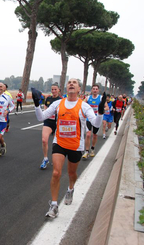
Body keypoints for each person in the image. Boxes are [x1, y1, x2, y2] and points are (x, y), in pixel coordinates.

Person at [33, 79, 106, 218]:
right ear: (66, 88)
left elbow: (96, 124)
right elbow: (41, 117)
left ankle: (70, 189)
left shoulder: (84, 106)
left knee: (72, 174)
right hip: (59, 143)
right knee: (56, 173)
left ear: (79, 89)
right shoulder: (58, 104)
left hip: (76, 146)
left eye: (74, 82)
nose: (71, 84)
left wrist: (101, 111)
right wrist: (37, 104)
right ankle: (54, 205)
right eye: (69, 82)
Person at [0, 82, 15, 157]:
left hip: (3, 120)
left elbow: (13, 106)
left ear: (4, 88)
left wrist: (8, 111)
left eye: (1, 86)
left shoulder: (7, 97)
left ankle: (3, 145)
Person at [40, 84, 61, 169]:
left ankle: (55, 158)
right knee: (44, 140)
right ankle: (45, 159)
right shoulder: (48, 98)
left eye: (55, 89)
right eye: (52, 89)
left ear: (58, 90)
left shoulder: (61, 100)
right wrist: (46, 112)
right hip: (48, 122)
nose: (53, 91)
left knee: (56, 143)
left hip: (57, 123)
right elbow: (45, 106)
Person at [82, 84, 102, 159]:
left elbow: (106, 107)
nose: (95, 90)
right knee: (88, 134)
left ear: (98, 90)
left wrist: (103, 110)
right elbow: (82, 104)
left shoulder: (100, 98)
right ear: (91, 90)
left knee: (95, 135)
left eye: (96, 89)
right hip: (89, 119)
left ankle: (92, 149)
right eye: (93, 89)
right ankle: (86, 151)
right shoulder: (88, 98)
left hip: (97, 119)